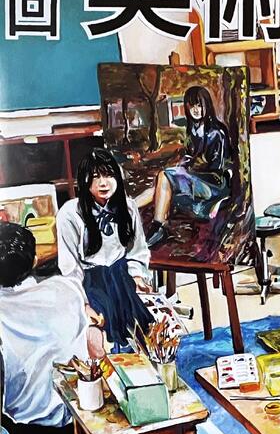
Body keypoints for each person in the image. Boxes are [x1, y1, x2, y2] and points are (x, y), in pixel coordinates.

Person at [0, 222, 105, 434]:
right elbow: (95, 348)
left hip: (31, 428)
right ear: (35, 260)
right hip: (85, 413)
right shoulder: (67, 289)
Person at [56, 148, 152, 348]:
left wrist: (137, 276)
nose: (103, 183)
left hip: (122, 277)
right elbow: (70, 266)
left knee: (143, 335)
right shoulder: (70, 214)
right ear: (84, 181)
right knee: (98, 335)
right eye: (95, 177)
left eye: (108, 175)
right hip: (91, 282)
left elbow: (137, 250)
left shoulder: (128, 207)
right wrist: (83, 303)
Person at [146, 86, 232, 247]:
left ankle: (157, 226)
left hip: (213, 184)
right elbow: (190, 157)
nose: (196, 110)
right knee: (163, 181)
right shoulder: (192, 129)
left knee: (165, 176)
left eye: (199, 105)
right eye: (192, 106)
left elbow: (216, 169)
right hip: (197, 179)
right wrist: (184, 166)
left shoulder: (216, 132)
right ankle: (130, 208)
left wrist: (186, 171)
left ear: (207, 105)